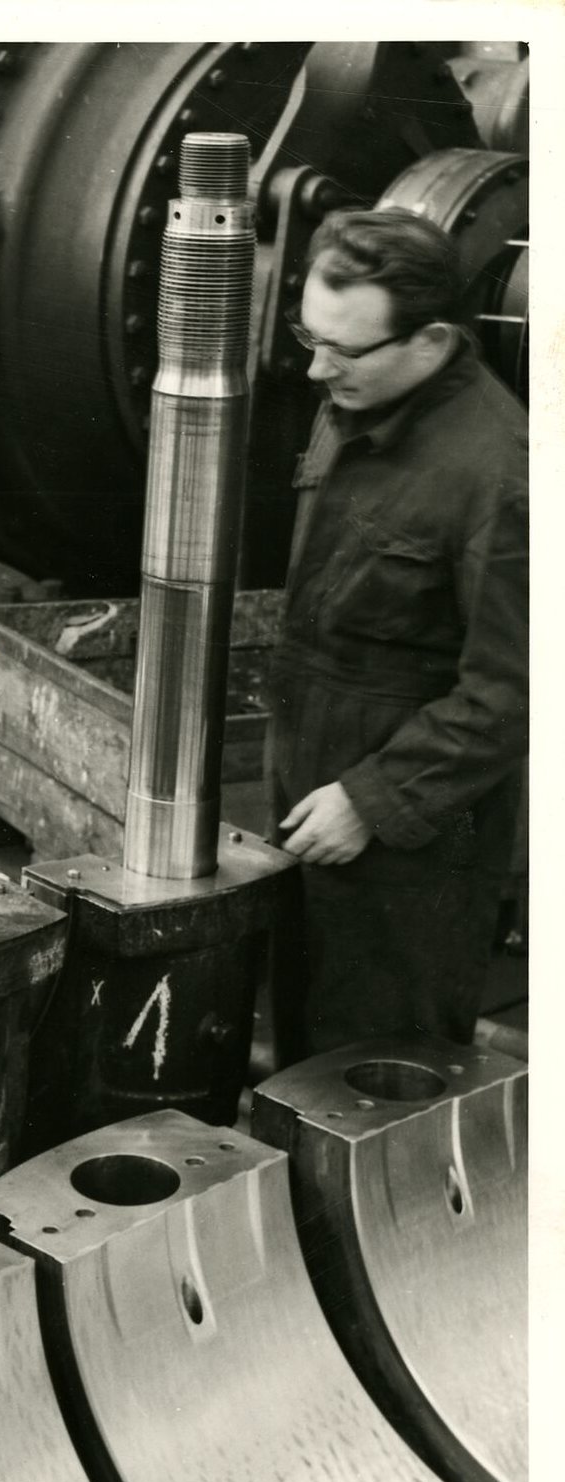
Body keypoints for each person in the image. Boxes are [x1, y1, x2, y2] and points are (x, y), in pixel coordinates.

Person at [267, 206, 527, 1055]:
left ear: (433, 340)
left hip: (410, 848)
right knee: (301, 1049)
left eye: (343, 349)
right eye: (310, 336)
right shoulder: (353, 395)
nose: (315, 368)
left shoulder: (500, 474)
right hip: (309, 795)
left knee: (379, 1072)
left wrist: (372, 803)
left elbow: (514, 690)